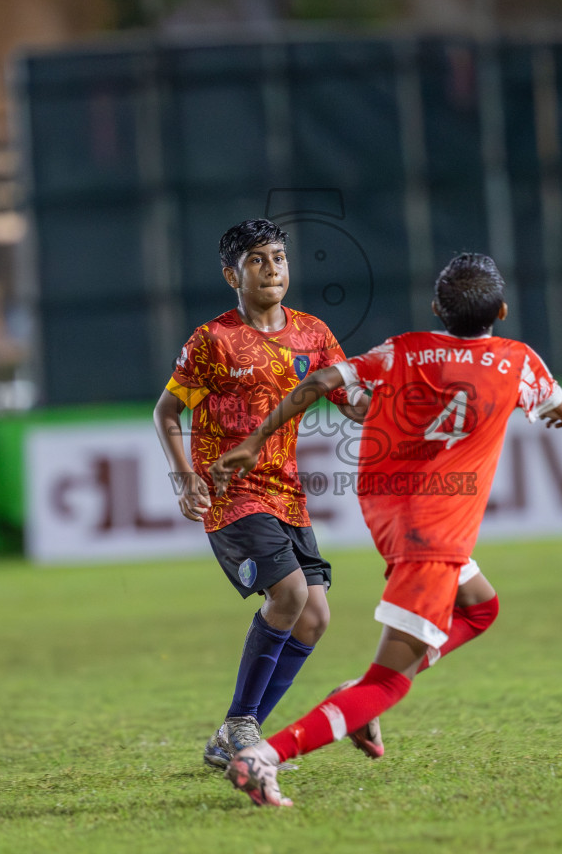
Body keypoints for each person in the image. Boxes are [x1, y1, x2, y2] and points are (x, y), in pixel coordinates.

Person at [211, 253, 562, 806]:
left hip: (389, 512)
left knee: (480, 609)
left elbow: (322, 380)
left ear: (437, 307)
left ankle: (355, 696)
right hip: (435, 534)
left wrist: (251, 442)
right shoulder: (519, 362)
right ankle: (263, 756)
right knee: (390, 682)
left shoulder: (405, 349)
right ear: (504, 311)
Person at [154, 218, 368, 770]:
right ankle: (244, 728)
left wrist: (388, 399)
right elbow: (168, 410)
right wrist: (185, 477)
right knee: (291, 595)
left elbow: (352, 402)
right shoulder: (214, 340)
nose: (271, 268)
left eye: (278, 257)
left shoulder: (313, 334)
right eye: (256, 260)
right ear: (232, 274)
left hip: (285, 492)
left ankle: (234, 735)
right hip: (230, 490)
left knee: (315, 617)